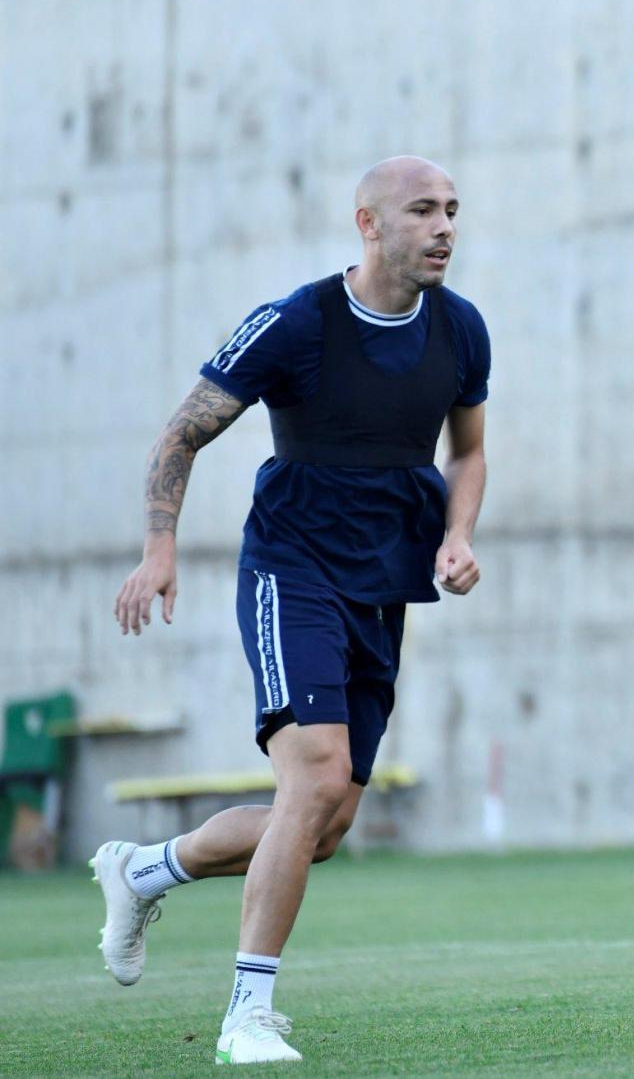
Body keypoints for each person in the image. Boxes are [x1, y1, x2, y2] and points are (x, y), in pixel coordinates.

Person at [98, 156, 490, 1064]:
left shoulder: (462, 328)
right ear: (368, 223)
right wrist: (159, 548)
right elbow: (183, 432)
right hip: (292, 572)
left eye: (451, 210)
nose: (444, 227)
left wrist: (458, 533)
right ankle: (246, 1015)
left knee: (322, 825)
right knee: (312, 782)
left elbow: (467, 451)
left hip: (385, 586)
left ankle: (143, 869)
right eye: (422, 210)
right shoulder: (296, 322)